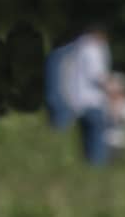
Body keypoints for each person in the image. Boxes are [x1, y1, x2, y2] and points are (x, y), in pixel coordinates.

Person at [46, 24, 116, 165]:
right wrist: (114, 89)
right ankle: (97, 165)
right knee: (97, 136)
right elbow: (97, 75)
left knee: (83, 136)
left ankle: (84, 164)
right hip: (92, 101)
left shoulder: (74, 49)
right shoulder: (93, 48)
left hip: (74, 100)